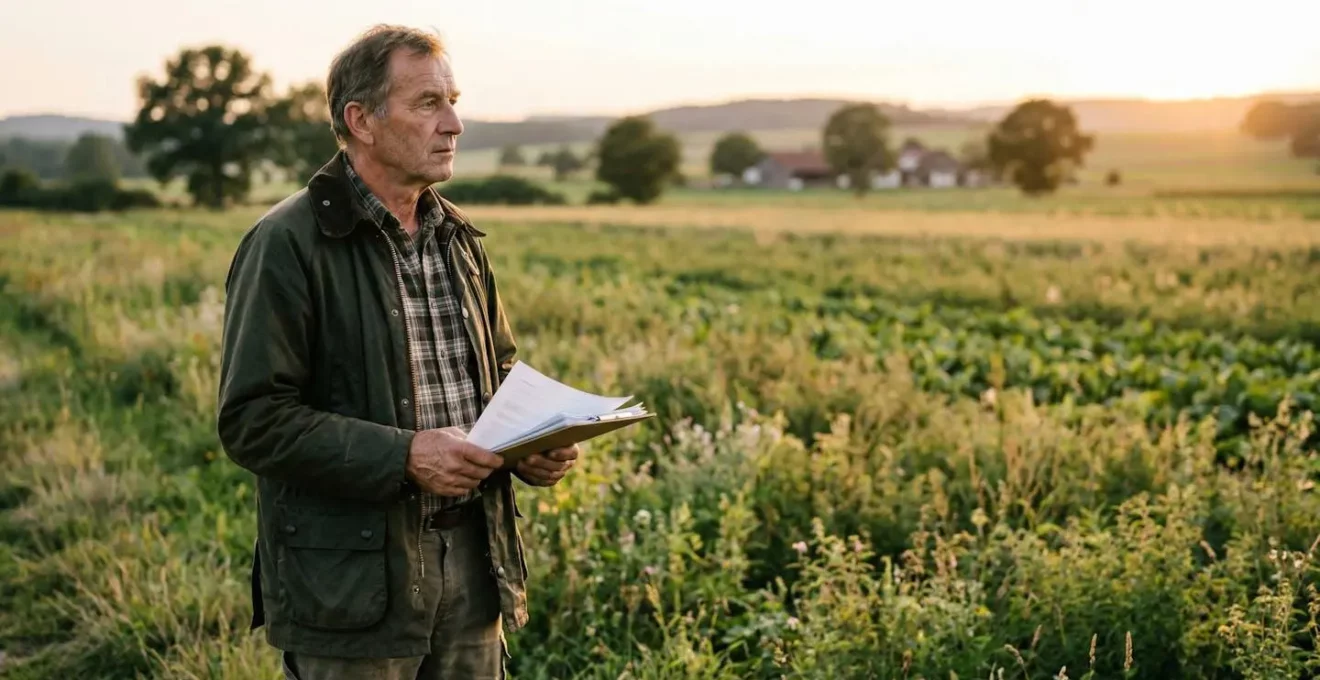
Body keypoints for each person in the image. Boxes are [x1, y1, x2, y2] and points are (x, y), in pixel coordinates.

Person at [217, 24, 578, 680]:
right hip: (352, 583)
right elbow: (253, 421)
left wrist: (533, 440)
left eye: (453, 100)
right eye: (427, 104)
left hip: (475, 562)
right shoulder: (287, 244)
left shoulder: (460, 239)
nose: (455, 125)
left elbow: (492, 372)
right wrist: (406, 456)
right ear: (361, 120)